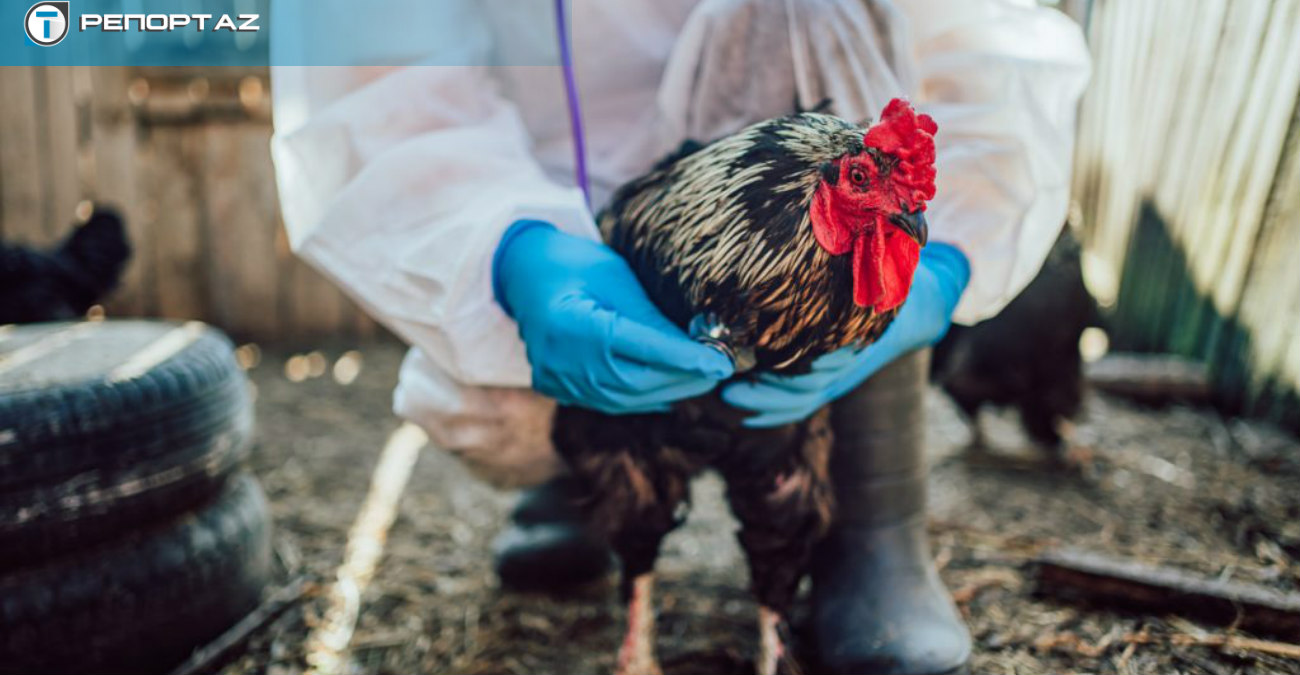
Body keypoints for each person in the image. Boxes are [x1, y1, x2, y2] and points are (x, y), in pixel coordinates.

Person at [271, 2, 1090, 673]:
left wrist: (943, 259)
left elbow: (980, 38)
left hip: (809, 225)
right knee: (503, 405)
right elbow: (374, 75)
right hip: (569, 198)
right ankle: (579, 481)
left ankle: (875, 519)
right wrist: (513, 247)